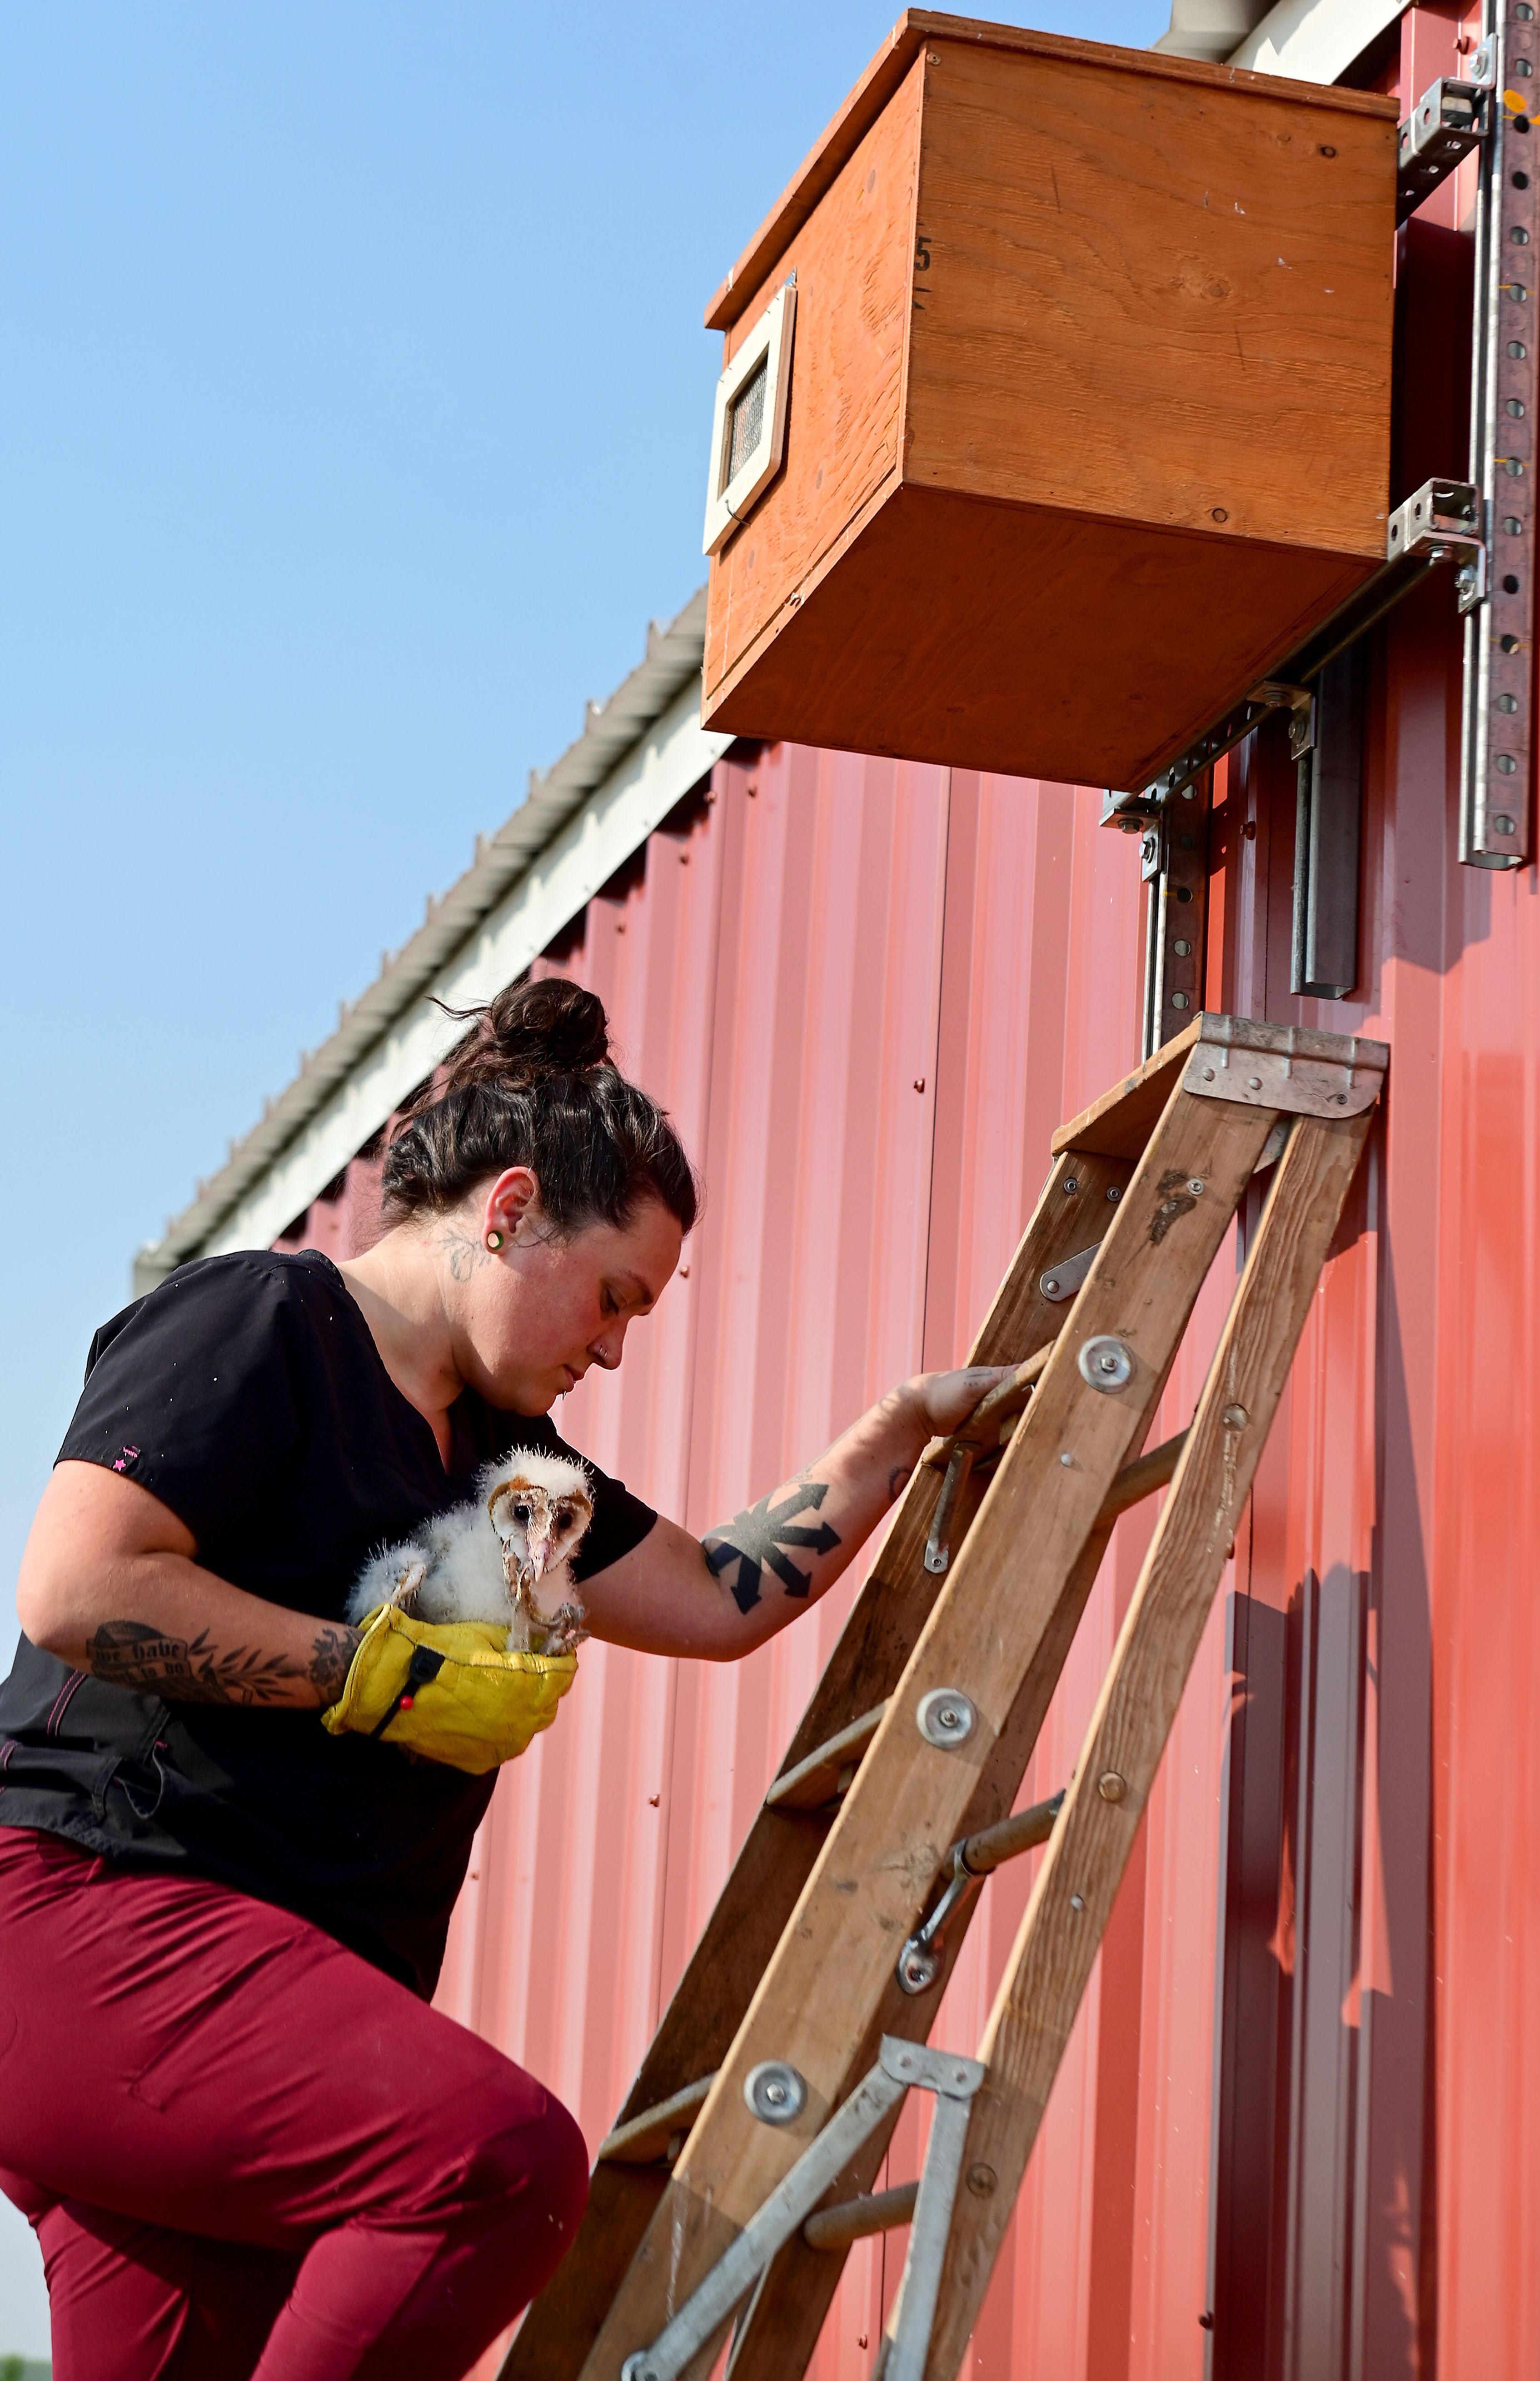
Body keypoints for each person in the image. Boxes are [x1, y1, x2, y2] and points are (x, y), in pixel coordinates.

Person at [0, 978, 1001, 2381]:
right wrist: (378, 1676)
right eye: (611, 1296)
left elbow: (719, 1597)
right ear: (510, 1205)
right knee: (497, 2165)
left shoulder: (514, 1469)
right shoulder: (263, 1318)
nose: (611, 1346)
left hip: (256, 2009)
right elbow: (75, 1585)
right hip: (86, 1923)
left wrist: (896, 1436)